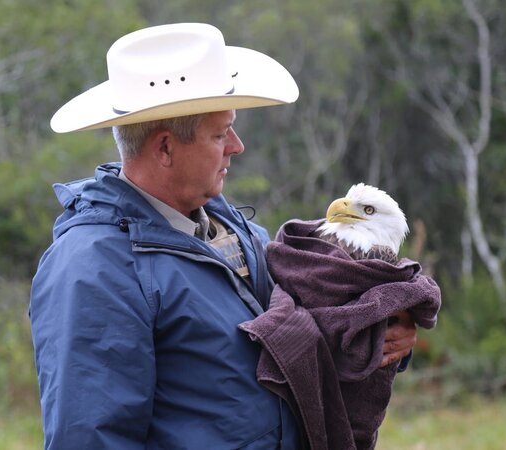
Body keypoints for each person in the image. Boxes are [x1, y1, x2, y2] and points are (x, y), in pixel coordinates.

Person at [29, 22, 418, 449]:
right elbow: (90, 438)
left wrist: (379, 333)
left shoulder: (237, 230)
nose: (236, 146)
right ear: (164, 148)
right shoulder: (93, 268)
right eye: (219, 133)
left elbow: (300, 340)